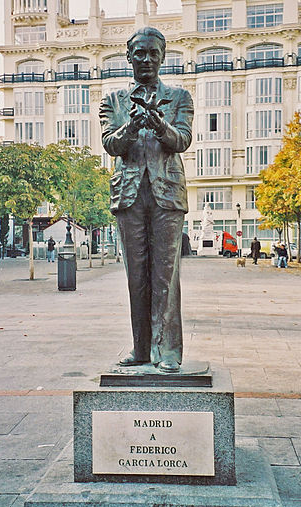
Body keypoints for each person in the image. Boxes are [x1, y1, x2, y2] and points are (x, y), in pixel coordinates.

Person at [99, 27, 194, 373]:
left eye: (154, 53)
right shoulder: (113, 101)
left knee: (165, 275)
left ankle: (167, 351)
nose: (147, 59)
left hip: (167, 194)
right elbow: (111, 144)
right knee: (136, 276)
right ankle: (141, 349)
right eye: (140, 53)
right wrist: (129, 127)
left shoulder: (180, 97)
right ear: (129, 57)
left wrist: (158, 125)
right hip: (128, 195)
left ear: (162, 57)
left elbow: (182, 139)